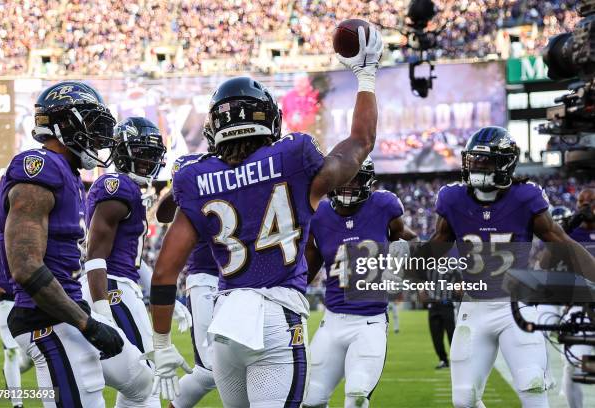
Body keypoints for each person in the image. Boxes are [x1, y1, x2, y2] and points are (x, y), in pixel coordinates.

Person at [146, 24, 384, 407]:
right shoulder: (293, 156)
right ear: (269, 120)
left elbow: (164, 272)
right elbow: (361, 143)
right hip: (276, 318)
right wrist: (366, 75)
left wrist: (160, 344)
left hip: (225, 324)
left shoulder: (195, 177)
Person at [426, 126, 595, 408]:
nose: (478, 167)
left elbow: (560, 241)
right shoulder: (453, 198)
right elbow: (437, 244)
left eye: (486, 161)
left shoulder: (524, 197)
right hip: (473, 306)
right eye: (474, 161)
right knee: (464, 399)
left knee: (532, 388)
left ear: (505, 163)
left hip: (515, 306)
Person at [0, 81, 124, 407]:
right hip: (47, 320)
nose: (99, 137)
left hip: (60, 314)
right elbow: (25, 266)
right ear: (67, 124)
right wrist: (87, 323)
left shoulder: (66, 174)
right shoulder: (41, 169)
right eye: (92, 126)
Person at [303, 157, 415, 408]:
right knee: (310, 400)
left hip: (369, 322)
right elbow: (308, 267)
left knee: (356, 395)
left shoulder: (384, 205)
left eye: (356, 179)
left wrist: (400, 264)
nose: (349, 185)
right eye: (344, 178)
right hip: (331, 322)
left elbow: (406, 240)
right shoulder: (319, 215)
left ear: (367, 181)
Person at [82, 116, 167, 407]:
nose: (147, 161)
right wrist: (102, 308)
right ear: (123, 151)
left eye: (151, 155)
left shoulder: (129, 189)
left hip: (120, 283)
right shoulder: (118, 187)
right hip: (111, 287)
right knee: (147, 376)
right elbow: (95, 255)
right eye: (141, 153)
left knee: (138, 384)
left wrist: (166, 296)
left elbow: (132, 260)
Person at [155, 154, 219, 408]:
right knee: (210, 370)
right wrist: (182, 184)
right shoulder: (193, 175)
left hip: (236, 280)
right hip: (205, 278)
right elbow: (162, 214)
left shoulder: (223, 178)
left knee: (244, 360)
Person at [0, 228, 31, 408]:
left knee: (30, 358)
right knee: (11, 352)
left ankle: (10, 374)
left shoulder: (35, 231)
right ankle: (17, 404)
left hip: (31, 300)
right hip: (6, 300)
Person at [561, 188, 594, 408]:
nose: (585, 205)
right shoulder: (570, 233)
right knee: (572, 365)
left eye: (590, 201)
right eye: (581, 201)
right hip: (580, 306)